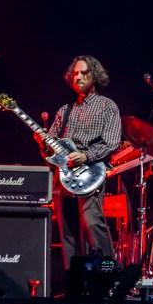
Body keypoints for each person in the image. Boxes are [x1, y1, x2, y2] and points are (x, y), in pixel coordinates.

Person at [39, 55, 122, 270]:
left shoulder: (107, 106)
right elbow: (51, 149)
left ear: (94, 76)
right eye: (75, 73)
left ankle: (108, 274)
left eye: (83, 73)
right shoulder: (65, 110)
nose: (78, 77)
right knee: (67, 232)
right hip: (64, 177)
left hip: (90, 174)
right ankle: (75, 280)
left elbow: (112, 142)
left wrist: (87, 156)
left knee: (92, 223)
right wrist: (43, 144)